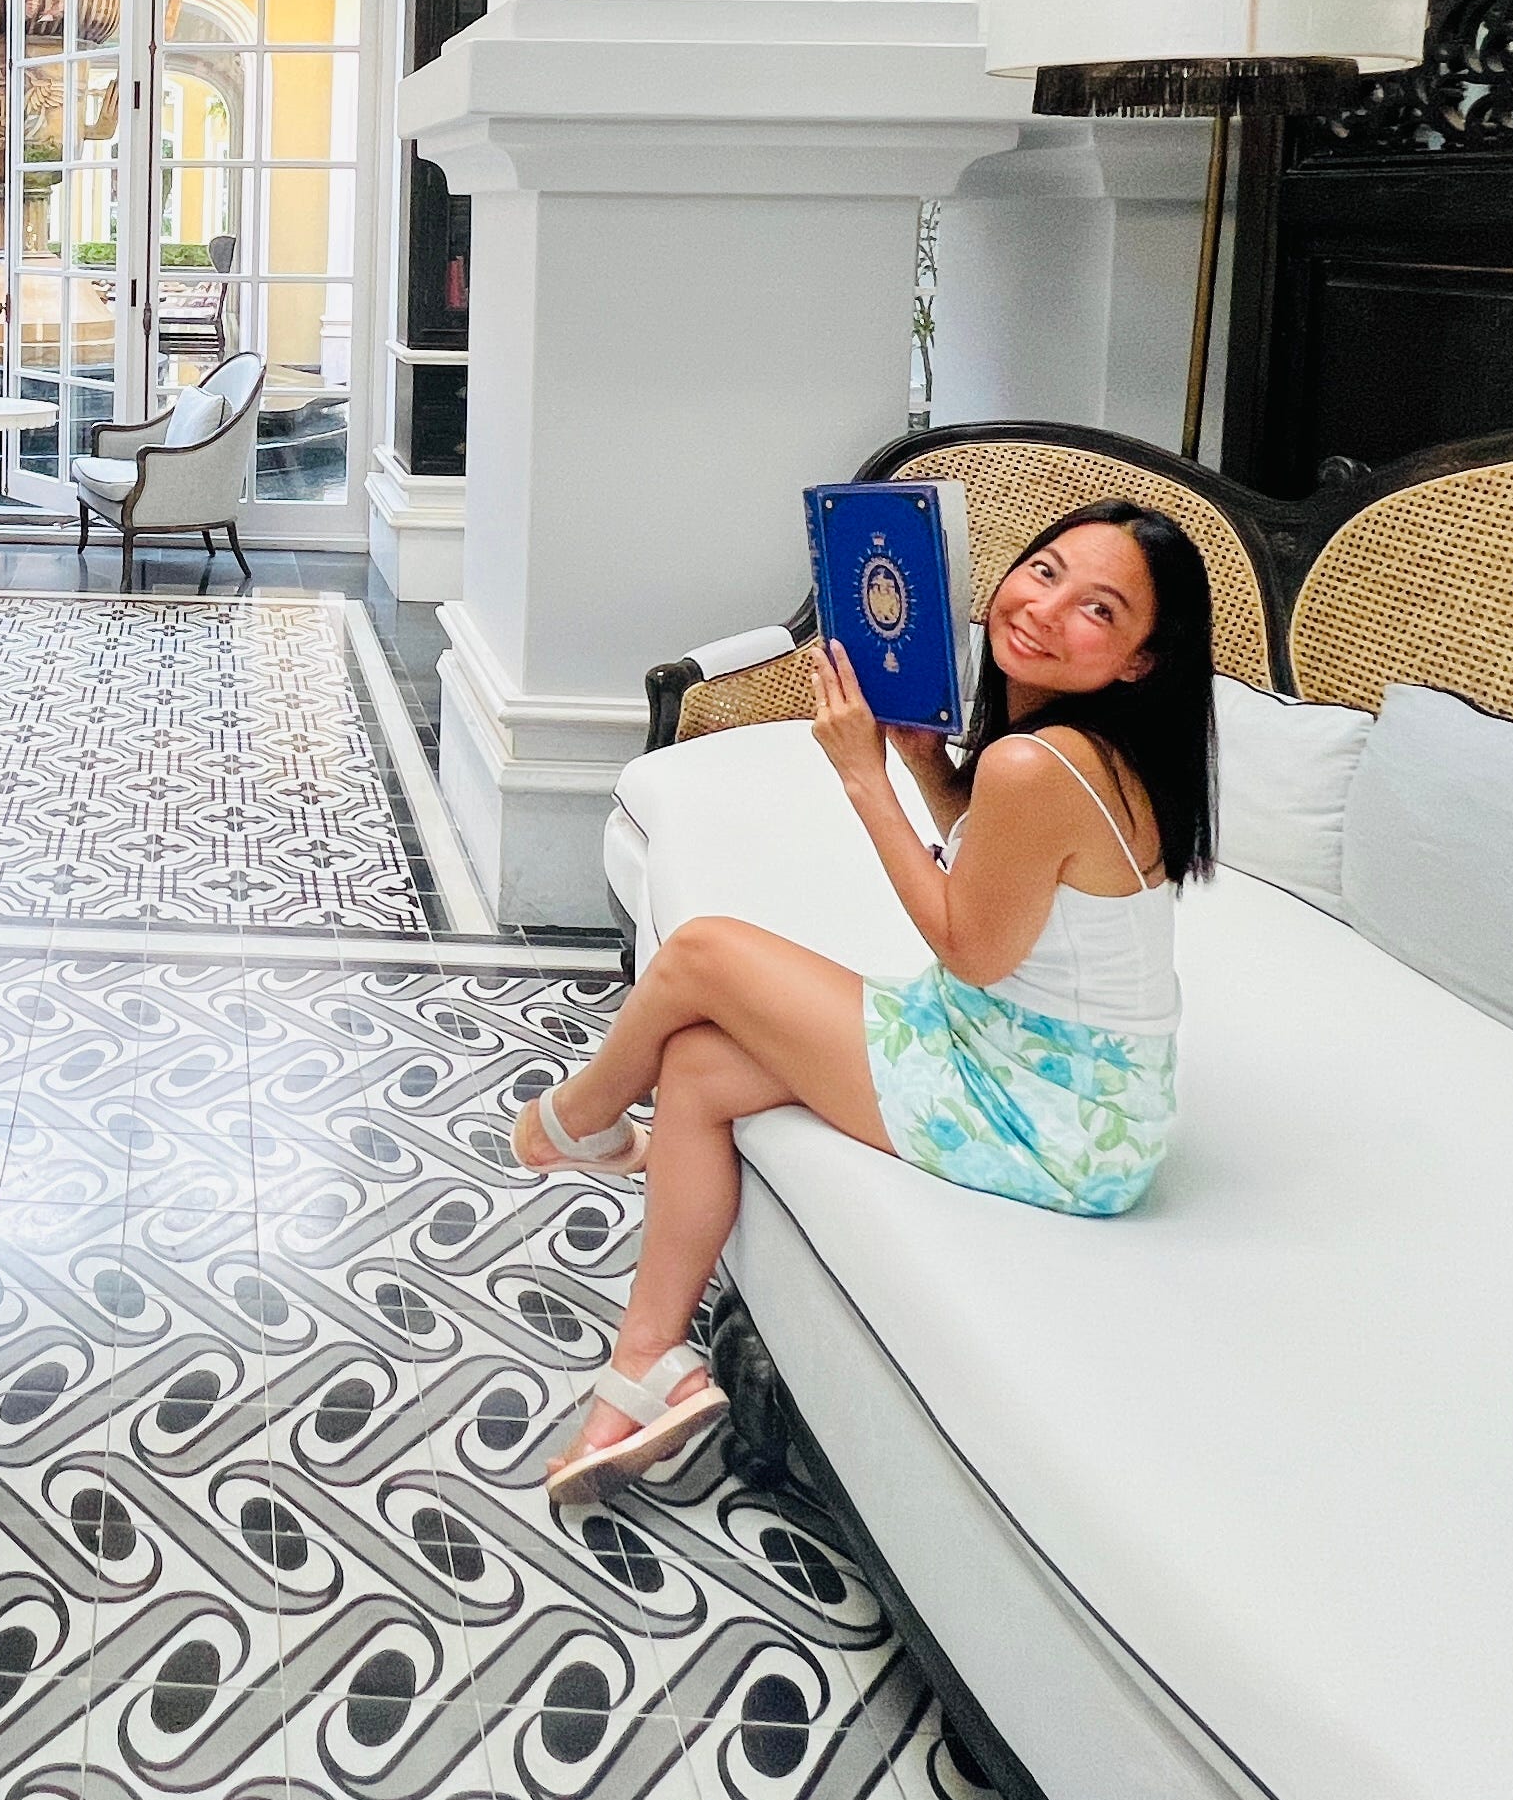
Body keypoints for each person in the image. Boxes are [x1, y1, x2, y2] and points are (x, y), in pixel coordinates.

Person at [508, 503, 1219, 1506]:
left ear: (1142, 660)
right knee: (699, 1067)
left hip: (1044, 1117)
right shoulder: (1076, 751)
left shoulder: (1036, 764)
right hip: (1051, 1076)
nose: (1046, 608)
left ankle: (575, 1122)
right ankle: (647, 1367)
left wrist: (864, 777)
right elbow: (999, 872)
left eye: (1098, 609)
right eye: (1045, 571)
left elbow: (970, 948)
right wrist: (926, 766)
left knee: (703, 953)